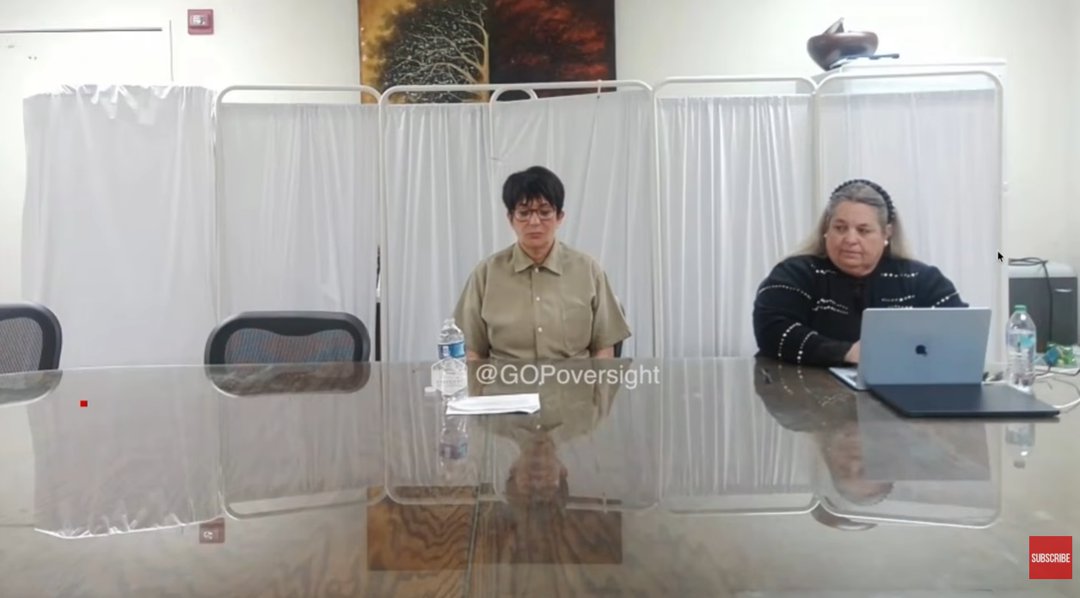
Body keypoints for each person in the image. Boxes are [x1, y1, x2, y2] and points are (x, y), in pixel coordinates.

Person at [752, 179, 967, 367]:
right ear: (827, 228)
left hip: (898, 395)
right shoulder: (795, 273)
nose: (850, 239)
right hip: (801, 395)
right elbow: (772, 330)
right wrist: (846, 352)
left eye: (863, 230)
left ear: (887, 233)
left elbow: (962, 333)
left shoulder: (923, 280)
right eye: (840, 228)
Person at [454, 166, 630, 361]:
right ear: (511, 219)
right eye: (524, 212)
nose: (535, 221)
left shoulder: (588, 270)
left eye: (545, 212)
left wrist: (600, 392)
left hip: (574, 387)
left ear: (560, 217)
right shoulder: (486, 274)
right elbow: (474, 352)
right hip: (507, 387)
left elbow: (603, 348)